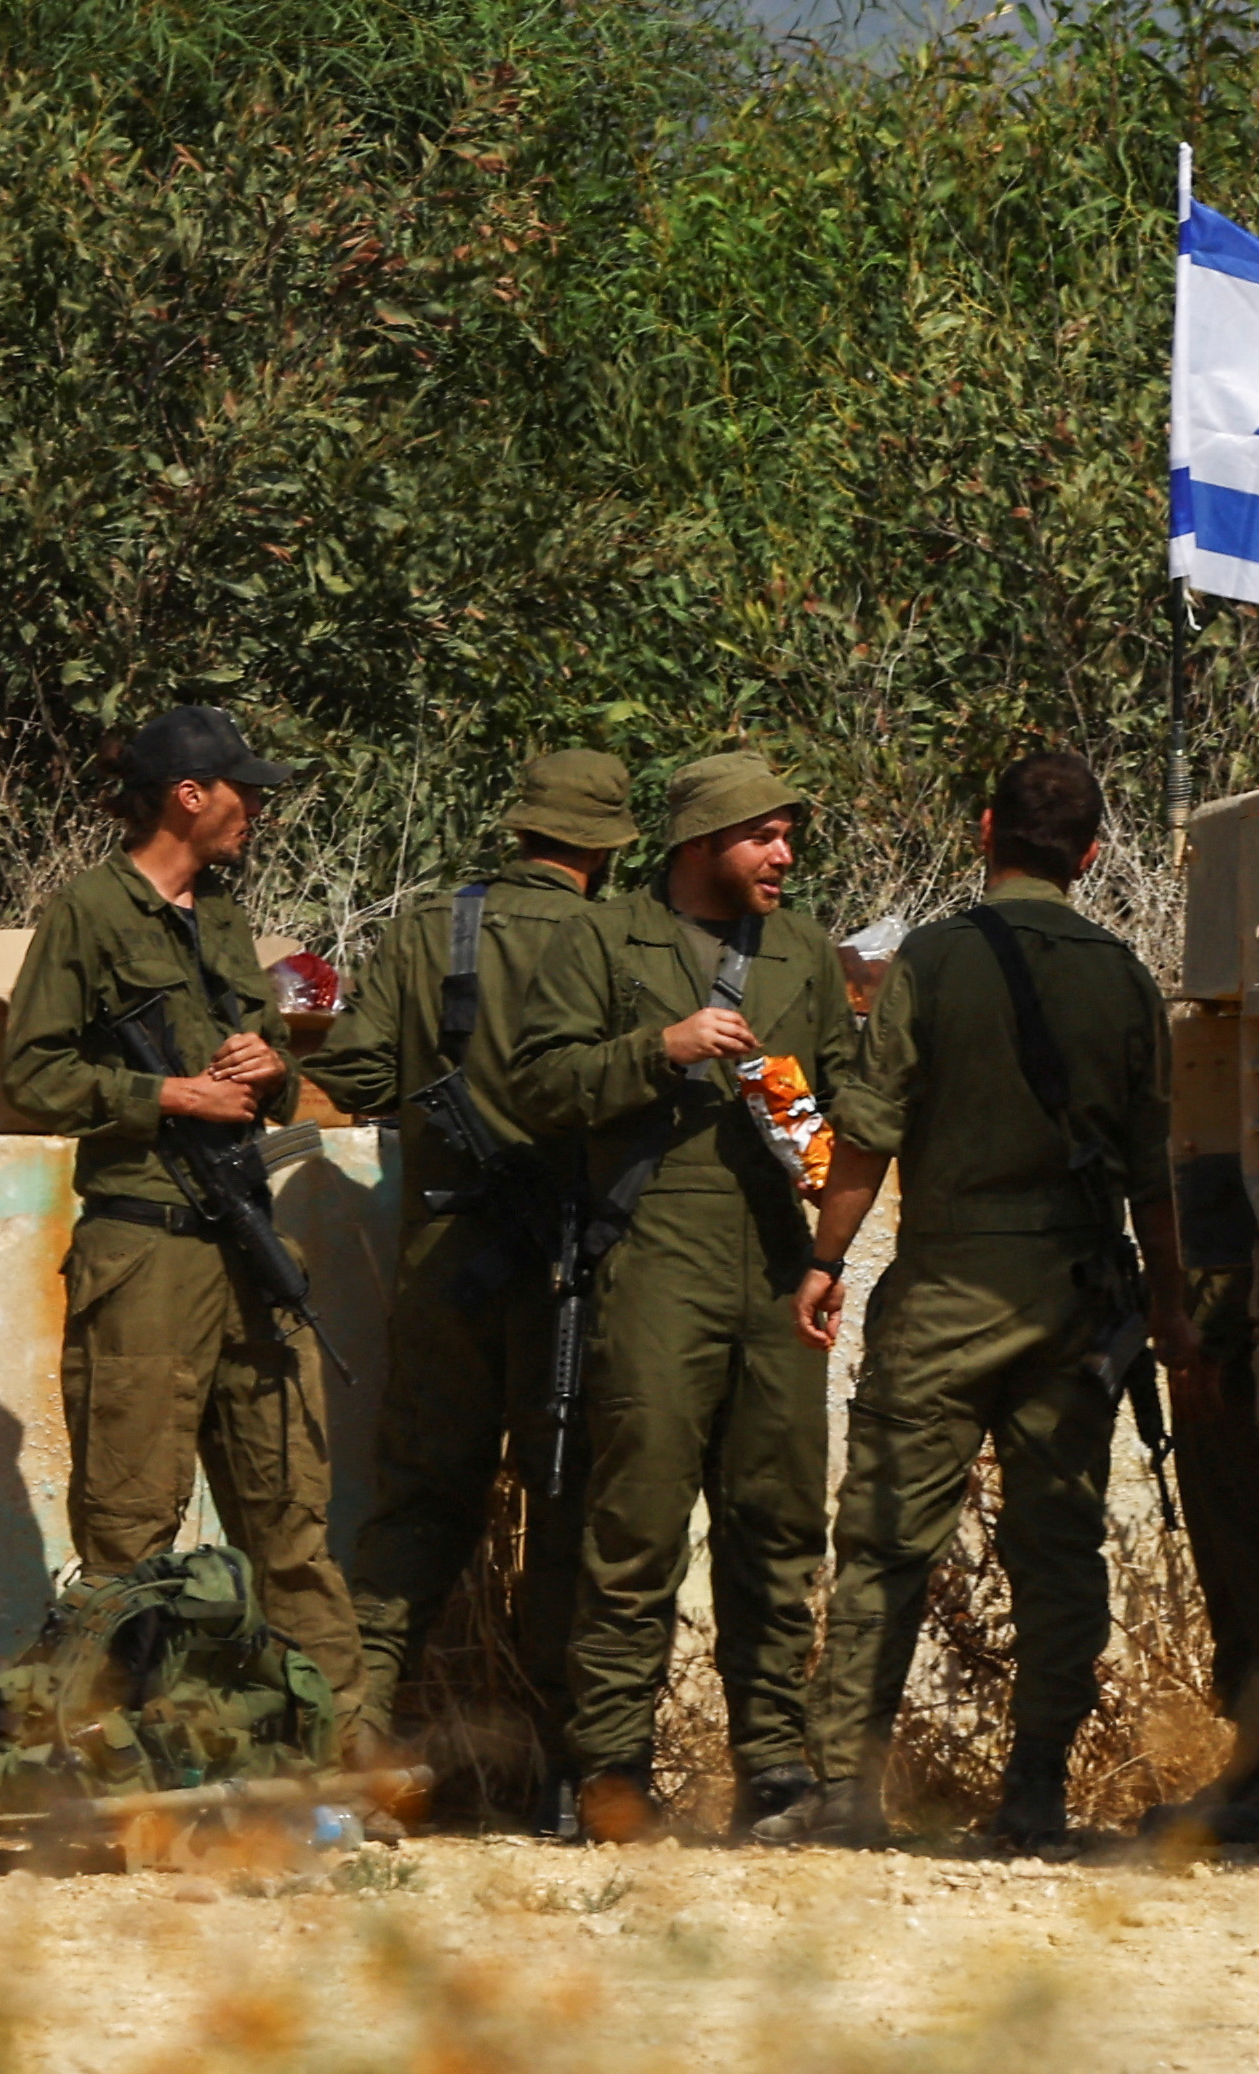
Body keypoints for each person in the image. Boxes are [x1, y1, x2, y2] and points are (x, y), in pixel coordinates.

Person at [788, 746, 1211, 1850]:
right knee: (1059, 1546)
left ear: (985, 831)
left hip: (941, 1292)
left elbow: (867, 1132)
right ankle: (1035, 1795)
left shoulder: (930, 960)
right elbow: (1150, 1174)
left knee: (883, 1540)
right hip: (1073, 1296)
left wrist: (827, 1260)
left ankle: (844, 1796)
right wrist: (1167, 1307)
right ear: (1092, 854)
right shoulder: (1120, 977)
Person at [0, 702, 393, 1730]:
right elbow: (32, 1073)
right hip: (146, 1251)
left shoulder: (220, 918)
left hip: (248, 1243)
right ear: (188, 795)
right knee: (131, 1531)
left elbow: (278, 1080)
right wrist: (171, 1098)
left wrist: (271, 1070)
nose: (254, 810)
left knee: (289, 1523)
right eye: (242, 791)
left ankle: (337, 1753)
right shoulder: (88, 911)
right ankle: (89, 1758)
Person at [502, 745, 847, 1838]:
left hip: (776, 1255)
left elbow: (844, 1110)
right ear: (701, 843)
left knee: (777, 1519)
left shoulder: (801, 953)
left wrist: (823, 1165)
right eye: (764, 835)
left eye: (790, 833)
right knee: (637, 1521)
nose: (784, 853)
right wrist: (662, 1045)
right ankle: (605, 1768)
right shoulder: (604, 939)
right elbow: (535, 1084)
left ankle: (774, 1768)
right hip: (651, 1249)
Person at [340, 743, 642, 1799]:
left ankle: (356, 1729)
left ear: (518, 829)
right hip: (572, 1263)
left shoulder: (433, 928)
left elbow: (359, 1068)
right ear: (606, 849)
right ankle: (559, 1768)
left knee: (420, 1496)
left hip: (445, 1255)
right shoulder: (619, 937)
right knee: (567, 1505)